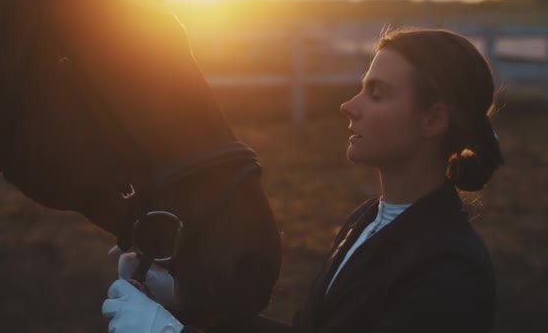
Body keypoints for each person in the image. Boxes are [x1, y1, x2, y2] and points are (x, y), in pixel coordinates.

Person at [101, 27, 504, 333]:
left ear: (432, 119)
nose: (349, 105)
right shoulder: (367, 219)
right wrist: (183, 304)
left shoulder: (451, 269)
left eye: (377, 94)